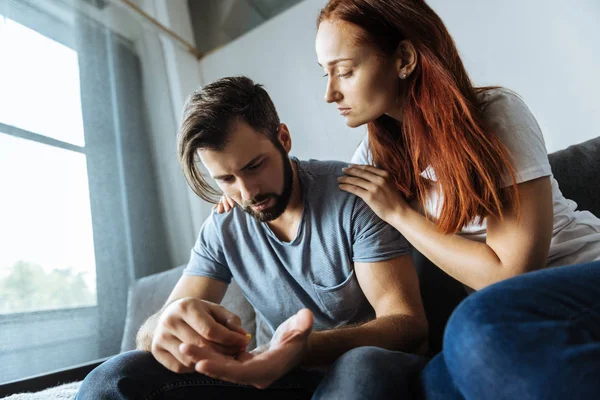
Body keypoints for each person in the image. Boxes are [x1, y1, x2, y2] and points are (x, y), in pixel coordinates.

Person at [75, 76, 429, 400]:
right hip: (274, 381)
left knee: (362, 366)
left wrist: (302, 348)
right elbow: (155, 333)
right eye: (226, 179)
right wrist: (163, 328)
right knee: (113, 377)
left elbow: (406, 323)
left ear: (284, 139)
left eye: (254, 166)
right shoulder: (223, 226)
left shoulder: (353, 195)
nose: (247, 192)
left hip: (356, 371)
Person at [313, 0, 600, 398]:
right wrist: (241, 201)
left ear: (404, 58)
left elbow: (510, 275)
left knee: (471, 327)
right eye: (324, 73)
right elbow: (313, 200)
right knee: (434, 385)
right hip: (501, 314)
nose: (329, 93)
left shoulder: (496, 114)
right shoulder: (377, 157)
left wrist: (400, 213)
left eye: (344, 71)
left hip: (581, 273)